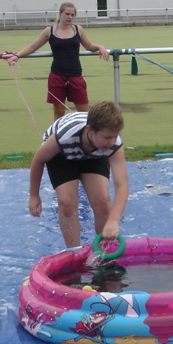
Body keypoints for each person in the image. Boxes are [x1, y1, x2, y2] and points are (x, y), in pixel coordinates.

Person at [28, 100, 129, 249]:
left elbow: (122, 185)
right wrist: (34, 195)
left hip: (94, 153)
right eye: (108, 137)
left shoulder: (112, 144)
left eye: (115, 136)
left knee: (102, 201)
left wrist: (113, 220)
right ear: (90, 130)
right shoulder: (64, 137)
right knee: (67, 202)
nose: (112, 141)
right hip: (62, 154)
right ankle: (73, 251)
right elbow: (38, 159)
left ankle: (105, 251)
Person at [5, 2, 109, 119]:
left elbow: (89, 45)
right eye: (67, 14)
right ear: (60, 14)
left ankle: (85, 136)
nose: (69, 17)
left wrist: (100, 47)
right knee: (59, 114)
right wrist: (17, 55)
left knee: (84, 114)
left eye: (72, 15)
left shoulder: (78, 29)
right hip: (57, 77)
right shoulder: (49, 31)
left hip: (76, 76)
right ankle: (58, 136)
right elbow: (33, 47)